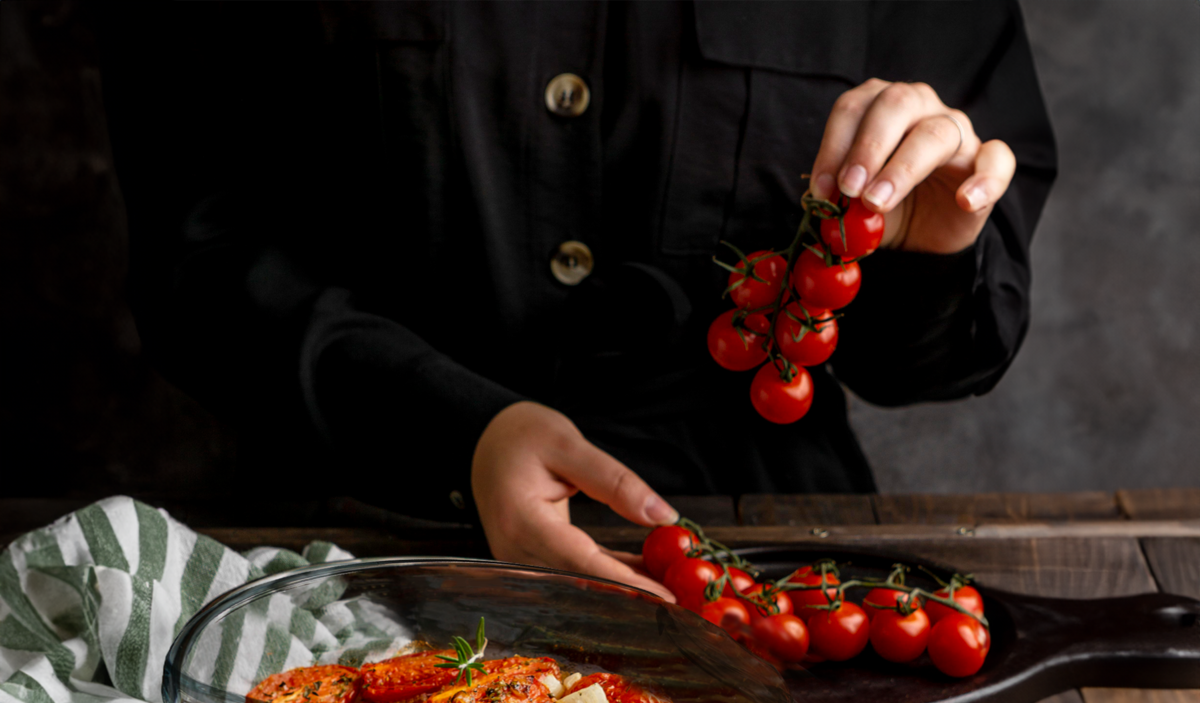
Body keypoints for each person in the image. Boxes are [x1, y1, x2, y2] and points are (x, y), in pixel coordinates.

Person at [100, 1, 1055, 598]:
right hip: (352, 561)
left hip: (770, 583)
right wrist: (457, 431)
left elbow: (952, 354)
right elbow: (201, 257)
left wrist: (932, 249)